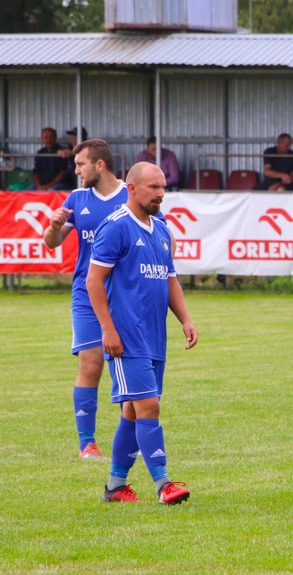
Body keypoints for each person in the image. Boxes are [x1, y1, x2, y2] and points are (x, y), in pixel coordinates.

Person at [86, 162, 197, 505]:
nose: (161, 194)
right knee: (149, 407)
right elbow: (93, 281)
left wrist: (185, 319)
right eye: (153, 187)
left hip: (154, 338)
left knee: (133, 413)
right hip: (126, 338)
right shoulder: (115, 227)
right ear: (131, 188)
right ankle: (164, 485)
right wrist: (108, 330)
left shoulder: (161, 230)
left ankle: (115, 487)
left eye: (163, 187)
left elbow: (169, 279)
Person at [43, 139, 128, 459]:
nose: (76, 170)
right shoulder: (77, 199)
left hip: (124, 296)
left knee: (127, 366)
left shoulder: (129, 195)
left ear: (100, 165)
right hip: (86, 294)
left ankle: (128, 439)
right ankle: (87, 445)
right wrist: (53, 226)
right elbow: (52, 243)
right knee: (91, 366)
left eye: (80, 165)